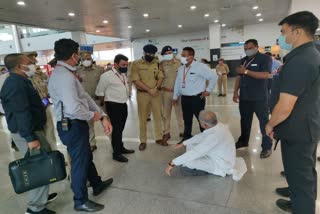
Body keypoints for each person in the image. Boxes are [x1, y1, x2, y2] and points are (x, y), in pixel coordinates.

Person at [48, 39, 113, 212]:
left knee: (85, 157)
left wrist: (102, 115)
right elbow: (75, 109)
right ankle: (80, 200)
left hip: (76, 124)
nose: (81, 58)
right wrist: (97, 115)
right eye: (79, 54)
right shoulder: (63, 77)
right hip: (72, 125)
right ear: (74, 55)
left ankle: (96, 183)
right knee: (79, 163)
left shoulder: (66, 73)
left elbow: (84, 97)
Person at [266, 11, 320, 213]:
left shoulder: (301, 60)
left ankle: (302, 207)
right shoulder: (309, 54)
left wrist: (271, 124)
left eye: (284, 32)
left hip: (298, 129)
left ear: (297, 32)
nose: (282, 37)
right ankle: (296, 199)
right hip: (304, 126)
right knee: (304, 172)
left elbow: (286, 104)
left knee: (301, 176)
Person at [0, 54, 57, 214]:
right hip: (28, 132)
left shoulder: (20, 81)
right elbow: (21, 112)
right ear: (19, 66)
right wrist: (30, 138)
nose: (33, 63)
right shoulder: (15, 84)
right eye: (29, 62)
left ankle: (41, 198)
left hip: (32, 130)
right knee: (38, 168)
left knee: (41, 165)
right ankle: (35, 208)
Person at [165, 110, 247, 180]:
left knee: (188, 164)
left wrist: (172, 163)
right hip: (219, 155)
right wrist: (183, 143)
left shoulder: (213, 136)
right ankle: (202, 164)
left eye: (200, 122)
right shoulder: (219, 125)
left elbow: (196, 152)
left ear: (204, 125)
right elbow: (202, 136)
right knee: (191, 145)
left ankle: (207, 170)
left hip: (221, 164)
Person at [233, 39, 273, 159]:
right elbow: (239, 77)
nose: (247, 50)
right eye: (245, 49)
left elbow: (265, 75)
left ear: (256, 47)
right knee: (244, 121)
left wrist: (246, 71)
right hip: (245, 97)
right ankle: (243, 141)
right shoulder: (244, 60)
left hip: (259, 97)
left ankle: (267, 146)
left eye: (249, 48)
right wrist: (235, 92)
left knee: (264, 122)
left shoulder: (265, 59)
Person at [173, 47, 217, 144]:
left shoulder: (200, 67)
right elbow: (178, 83)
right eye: (182, 55)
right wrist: (175, 96)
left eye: (184, 55)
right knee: (187, 119)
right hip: (185, 98)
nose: (181, 57)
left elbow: (214, 77)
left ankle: (207, 139)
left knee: (201, 119)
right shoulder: (181, 68)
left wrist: (208, 90)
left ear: (191, 57)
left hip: (197, 98)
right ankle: (187, 136)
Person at [95, 54, 135, 163]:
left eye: (126, 64)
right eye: (123, 64)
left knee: (120, 129)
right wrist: (105, 105)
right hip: (113, 105)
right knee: (116, 131)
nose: (125, 66)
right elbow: (99, 92)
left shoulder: (122, 74)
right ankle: (116, 154)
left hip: (123, 105)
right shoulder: (107, 76)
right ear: (115, 64)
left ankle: (121, 147)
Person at [131, 44, 165, 151]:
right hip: (142, 94)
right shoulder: (136, 64)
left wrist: (156, 88)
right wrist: (149, 90)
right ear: (144, 52)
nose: (151, 55)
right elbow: (136, 80)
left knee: (158, 116)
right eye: (149, 53)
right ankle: (143, 140)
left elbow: (160, 77)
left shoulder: (157, 63)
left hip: (156, 94)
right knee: (143, 118)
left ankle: (159, 138)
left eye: (153, 54)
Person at [26, 53, 58, 151]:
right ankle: (44, 157)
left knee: (49, 131)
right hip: (32, 109)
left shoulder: (40, 73)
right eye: (31, 61)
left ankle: (53, 154)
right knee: (38, 133)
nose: (35, 62)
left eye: (35, 60)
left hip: (45, 105)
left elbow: (48, 85)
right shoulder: (22, 78)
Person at [77, 51, 104, 152]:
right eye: (83, 59)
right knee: (88, 124)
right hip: (85, 102)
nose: (86, 61)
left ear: (92, 59)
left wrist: (104, 99)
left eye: (88, 58)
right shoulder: (78, 71)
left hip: (98, 101)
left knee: (106, 121)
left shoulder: (100, 70)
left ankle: (114, 143)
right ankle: (92, 143)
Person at [160, 46, 184, 142]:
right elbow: (159, 77)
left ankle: (182, 131)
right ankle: (166, 132)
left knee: (180, 113)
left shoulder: (179, 62)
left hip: (178, 93)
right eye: (166, 53)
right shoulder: (161, 64)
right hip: (166, 93)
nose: (168, 54)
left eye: (170, 52)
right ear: (163, 54)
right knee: (166, 114)